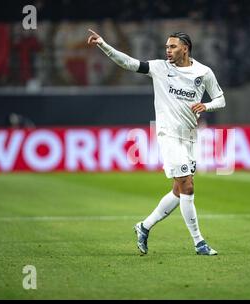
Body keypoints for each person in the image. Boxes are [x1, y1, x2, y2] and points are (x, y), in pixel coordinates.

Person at [87, 29, 226, 256]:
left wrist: (206, 106)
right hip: (168, 135)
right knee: (188, 186)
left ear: (185, 48)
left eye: (172, 47)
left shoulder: (203, 72)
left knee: (179, 191)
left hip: (190, 136)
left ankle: (144, 226)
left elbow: (220, 99)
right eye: (166, 47)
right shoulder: (160, 68)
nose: (168, 51)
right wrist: (103, 44)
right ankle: (199, 242)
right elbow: (129, 63)